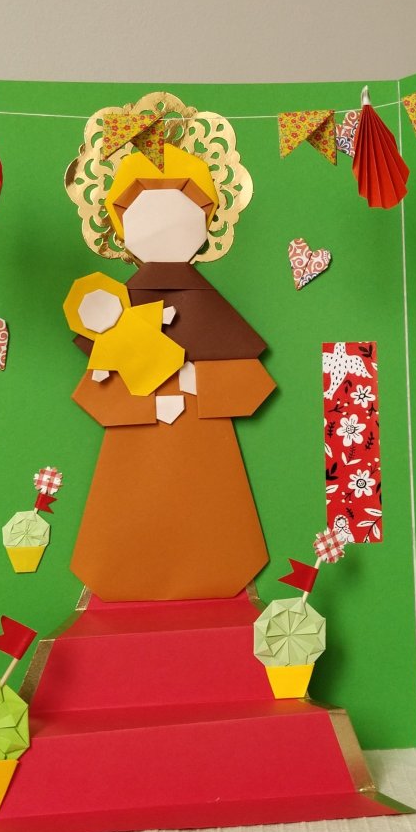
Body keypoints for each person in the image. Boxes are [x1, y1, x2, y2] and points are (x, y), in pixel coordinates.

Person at [68, 145, 275, 601]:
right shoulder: (116, 307)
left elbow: (253, 384)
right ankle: (121, 573)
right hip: (135, 455)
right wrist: (148, 405)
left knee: (211, 516)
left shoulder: (209, 306)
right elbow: (94, 389)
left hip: (204, 446)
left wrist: (198, 382)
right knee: (132, 509)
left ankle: (220, 570)